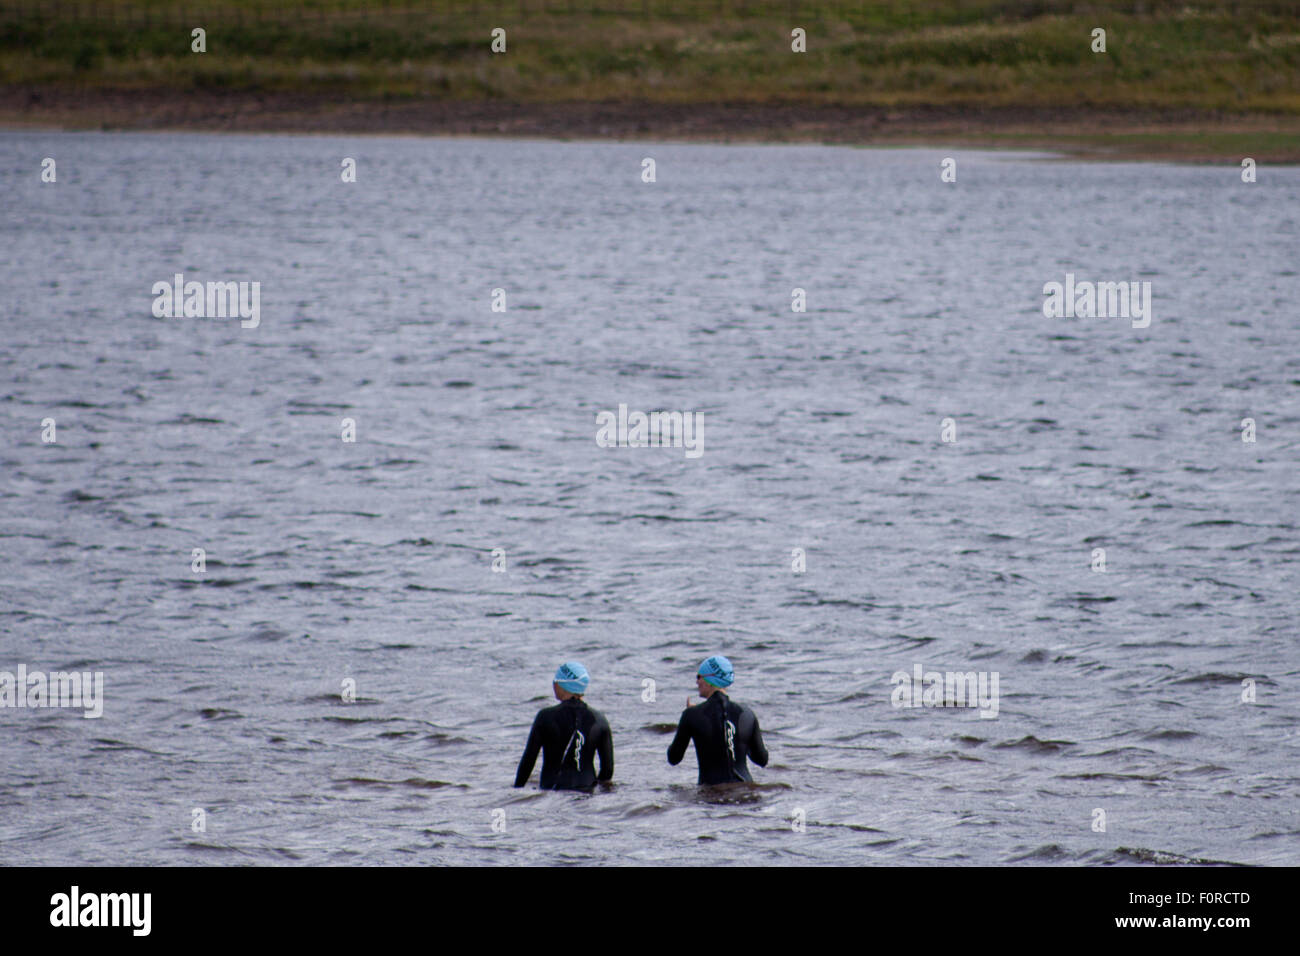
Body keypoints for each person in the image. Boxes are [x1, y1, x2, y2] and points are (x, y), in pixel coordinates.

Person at [667, 655, 768, 785]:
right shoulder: (747, 714)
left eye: (699, 677)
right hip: (745, 791)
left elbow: (674, 758)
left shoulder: (692, 715)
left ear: (710, 680)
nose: (697, 682)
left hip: (711, 795)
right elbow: (762, 759)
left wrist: (688, 719)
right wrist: (739, 740)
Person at [513, 661, 614, 790]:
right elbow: (608, 771)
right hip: (586, 794)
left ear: (561, 685)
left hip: (552, 792)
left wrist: (516, 792)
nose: (553, 684)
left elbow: (528, 762)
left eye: (556, 681)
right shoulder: (600, 719)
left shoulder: (545, 716)